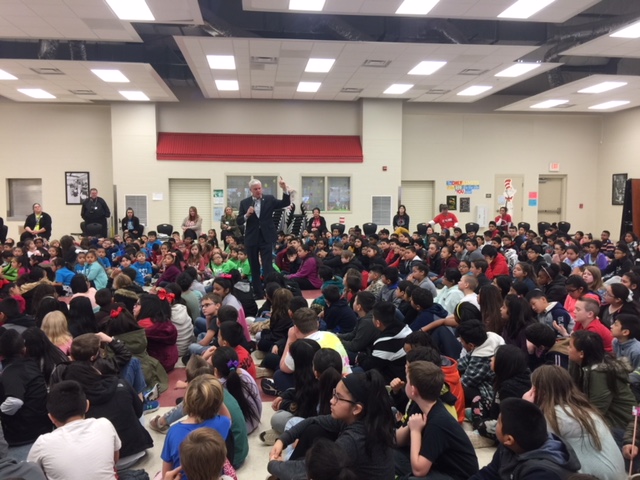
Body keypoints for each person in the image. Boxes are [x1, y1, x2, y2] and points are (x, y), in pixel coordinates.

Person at [268, 370, 396, 480]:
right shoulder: (360, 419)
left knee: (305, 463)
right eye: (334, 394)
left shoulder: (353, 440)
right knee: (314, 430)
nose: (331, 400)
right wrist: (283, 440)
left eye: (338, 397)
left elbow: (308, 470)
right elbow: (314, 420)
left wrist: (273, 464)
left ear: (357, 408)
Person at [525, 365, 625, 480]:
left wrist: (527, 407)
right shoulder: (584, 409)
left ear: (540, 391)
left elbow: (530, 445)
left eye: (532, 387)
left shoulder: (554, 416)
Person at [394, 360, 479, 479]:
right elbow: (396, 440)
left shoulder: (438, 421)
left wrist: (415, 431)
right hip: (437, 466)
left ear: (413, 390)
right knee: (385, 454)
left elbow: (419, 470)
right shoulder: (423, 405)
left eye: (407, 381)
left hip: (457, 476)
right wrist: (411, 427)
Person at [27, 380, 121, 480]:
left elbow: (29, 474)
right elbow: (114, 459)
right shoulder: (104, 424)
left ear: (51, 417)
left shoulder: (42, 443)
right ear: (87, 405)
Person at [470, 398, 580, 480]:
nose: (495, 424)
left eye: (498, 422)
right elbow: (488, 474)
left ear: (509, 439)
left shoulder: (542, 473)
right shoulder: (510, 446)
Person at [160, 374, 232, 478]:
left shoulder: (174, 432)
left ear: (187, 401)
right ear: (218, 402)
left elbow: (166, 472)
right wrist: (215, 398)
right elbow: (227, 418)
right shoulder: (222, 423)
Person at [569, 330, 635, 436]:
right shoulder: (578, 365)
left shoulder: (600, 373)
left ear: (581, 354)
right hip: (605, 421)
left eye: (570, 346)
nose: (567, 349)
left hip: (621, 426)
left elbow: (597, 409)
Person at [236, 177, 291, 299]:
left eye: (259, 188)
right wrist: (247, 215)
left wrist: (284, 189)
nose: (258, 191)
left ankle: (270, 291)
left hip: (266, 236)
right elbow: (239, 221)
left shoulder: (269, 199)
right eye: (255, 189)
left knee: (267, 266)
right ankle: (258, 293)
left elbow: (285, 203)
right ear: (251, 190)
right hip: (252, 238)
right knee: (254, 266)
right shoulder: (245, 202)